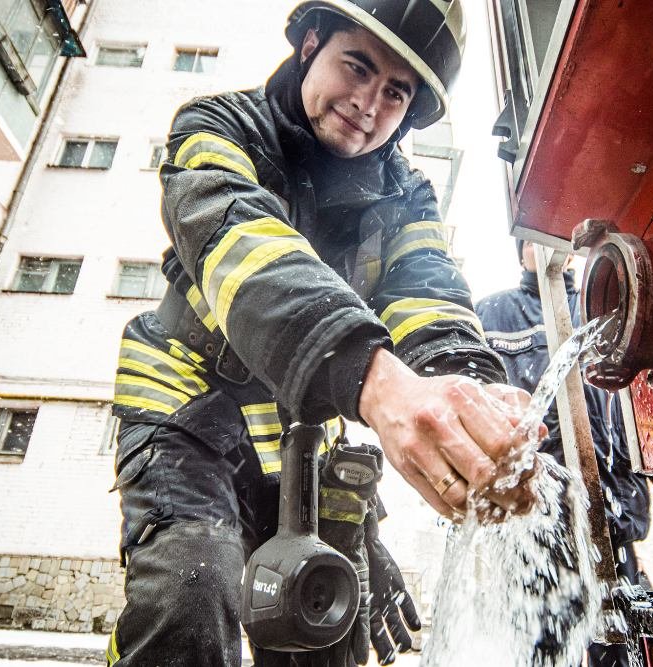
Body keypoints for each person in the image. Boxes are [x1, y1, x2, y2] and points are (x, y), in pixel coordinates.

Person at [107, 2, 534, 665]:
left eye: (396, 91)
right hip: (187, 402)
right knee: (192, 594)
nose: (369, 102)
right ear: (310, 43)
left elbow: (427, 291)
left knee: (324, 624)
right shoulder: (216, 126)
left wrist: (469, 392)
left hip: (303, 430)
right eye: (357, 66)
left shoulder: (406, 195)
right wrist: (373, 378)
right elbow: (245, 250)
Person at [475, 240, 653, 667]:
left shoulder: (607, 309)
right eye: (535, 243)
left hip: (611, 521)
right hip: (532, 528)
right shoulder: (491, 315)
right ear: (521, 254)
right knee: (543, 652)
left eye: (560, 246)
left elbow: (643, 390)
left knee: (622, 650)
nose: (553, 253)